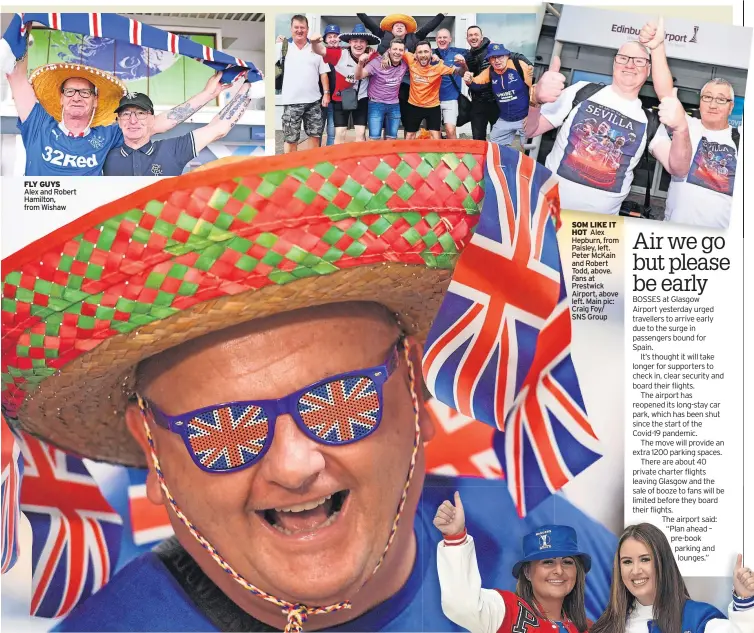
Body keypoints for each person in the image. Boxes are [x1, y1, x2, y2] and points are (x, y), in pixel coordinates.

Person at [4, 143, 618, 632]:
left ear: (416, 390)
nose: (295, 467)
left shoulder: (538, 540)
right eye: (224, 428)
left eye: (342, 400)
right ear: (154, 450)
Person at [525, 21, 692, 215]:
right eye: (623, 58)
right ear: (614, 63)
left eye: (639, 61)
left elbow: (678, 169)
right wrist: (534, 100)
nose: (630, 65)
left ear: (648, 71)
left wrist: (682, 129)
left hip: (600, 230)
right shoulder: (581, 91)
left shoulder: (650, 121)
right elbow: (529, 130)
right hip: (547, 211)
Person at [6, 53, 230, 176]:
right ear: (61, 97)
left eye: (85, 93)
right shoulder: (38, 125)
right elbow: (16, 76)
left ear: (95, 101)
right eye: (70, 91)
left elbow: (161, 122)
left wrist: (208, 94)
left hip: (81, 234)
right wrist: (24, 25)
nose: (77, 97)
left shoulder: (107, 136)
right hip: (35, 225)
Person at [435, 492, 592, 633]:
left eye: (567, 562)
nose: (559, 570)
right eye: (548, 562)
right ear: (527, 572)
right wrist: (455, 537)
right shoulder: (507, 611)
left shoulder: (589, 628)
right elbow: (463, 606)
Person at [641, 25, 738, 228]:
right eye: (707, 97)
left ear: (731, 107)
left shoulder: (741, 140)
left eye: (721, 100)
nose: (712, 104)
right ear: (699, 101)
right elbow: (666, 94)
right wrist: (657, 48)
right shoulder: (687, 125)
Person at [591, 523, 753, 633]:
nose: (635, 570)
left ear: (663, 563)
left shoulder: (698, 619)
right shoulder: (605, 628)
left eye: (645, 559)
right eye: (627, 562)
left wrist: (744, 600)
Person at [103, 83, 253, 177]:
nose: (133, 120)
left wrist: (248, 86)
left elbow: (219, 128)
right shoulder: (103, 154)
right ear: (118, 121)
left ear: (152, 120)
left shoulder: (173, 150)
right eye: (126, 114)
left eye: (141, 113)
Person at [356, 13, 447, 129]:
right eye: (396, 26)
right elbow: (370, 24)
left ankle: (406, 141)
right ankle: (386, 143)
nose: (399, 27)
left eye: (402, 26)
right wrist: (358, 11)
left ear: (406, 31)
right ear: (391, 30)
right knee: (384, 122)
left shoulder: (414, 38)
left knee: (407, 117)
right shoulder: (383, 36)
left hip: (406, 83)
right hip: (384, 85)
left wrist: (441, 15)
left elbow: (428, 28)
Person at [311, 24, 380, 144]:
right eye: (355, 41)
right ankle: (338, 161)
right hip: (340, 98)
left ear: (367, 44)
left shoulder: (372, 56)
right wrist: (314, 42)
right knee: (340, 133)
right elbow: (320, 50)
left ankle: (359, 161)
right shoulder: (339, 54)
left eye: (362, 41)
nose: (358, 44)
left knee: (360, 133)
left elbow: (384, 61)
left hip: (361, 98)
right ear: (349, 42)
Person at [278, 15, 331, 153]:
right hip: (291, 102)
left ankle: (311, 166)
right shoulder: (282, 47)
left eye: (302, 28)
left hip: (313, 102)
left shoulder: (316, 48)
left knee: (315, 136)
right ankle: (290, 168)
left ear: (307, 30)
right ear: (291, 29)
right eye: (296, 27)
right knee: (290, 139)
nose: (299, 30)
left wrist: (326, 94)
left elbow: (323, 73)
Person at [464, 42, 533, 147]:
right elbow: (476, 83)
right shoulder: (490, 71)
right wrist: (468, 80)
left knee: (528, 150)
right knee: (494, 147)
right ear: (489, 60)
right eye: (493, 58)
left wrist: (532, 115)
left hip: (525, 118)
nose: (497, 60)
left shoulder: (518, 65)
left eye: (500, 56)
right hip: (505, 119)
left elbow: (535, 90)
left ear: (507, 56)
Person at [400, 41, 466, 140]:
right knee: (410, 135)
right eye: (420, 52)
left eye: (426, 52)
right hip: (414, 105)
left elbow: (460, 72)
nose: (423, 55)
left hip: (432, 107)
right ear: (415, 54)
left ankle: (438, 155)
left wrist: (463, 65)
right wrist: (385, 58)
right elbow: (393, 51)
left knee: (435, 137)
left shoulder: (439, 66)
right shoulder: (410, 59)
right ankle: (408, 156)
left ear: (431, 52)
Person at [355, 38, 408, 141]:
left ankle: (387, 158)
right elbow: (359, 76)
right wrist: (360, 63)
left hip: (394, 105)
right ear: (389, 50)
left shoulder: (405, 64)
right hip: (376, 104)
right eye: (395, 49)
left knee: (391, 139)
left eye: (400, 50)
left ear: (404, 52)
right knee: (374, 139)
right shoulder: (376, 63)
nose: (397, 52)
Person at [464, 26, 500, 141]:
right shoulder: (468, 55)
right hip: (477, 102)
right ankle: (481, 159)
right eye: (470, 35)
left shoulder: (492, 49)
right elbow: (469, 76)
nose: (473, 37)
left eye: (476, 35)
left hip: (496, 102)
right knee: (478, 140)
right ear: (467, 39)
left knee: (498, 139)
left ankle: (497, 159)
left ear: (481, 37)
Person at [434, 28, 468, 139]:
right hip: (432, 101)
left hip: (451, 99)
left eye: (445, 37)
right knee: (434, 134)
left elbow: (476, 51)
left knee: (450, 130)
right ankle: (438, 156)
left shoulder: (458, 53)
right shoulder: (430, 54)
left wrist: (488, 43)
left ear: (450, 39)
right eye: (440, 37)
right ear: (436, 39)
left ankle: (454, 155)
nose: (442, 40)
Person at [321, 24, 342, 147]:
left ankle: (329, 157)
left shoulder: (345, 53)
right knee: (317, 131)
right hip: (321, 97)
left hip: (337, 99)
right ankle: (315, 157)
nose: (333, 39)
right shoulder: (320, 53)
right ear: (325, 39)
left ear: (339, 38)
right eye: (330, 36)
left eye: (335, 36)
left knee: (332, 131)